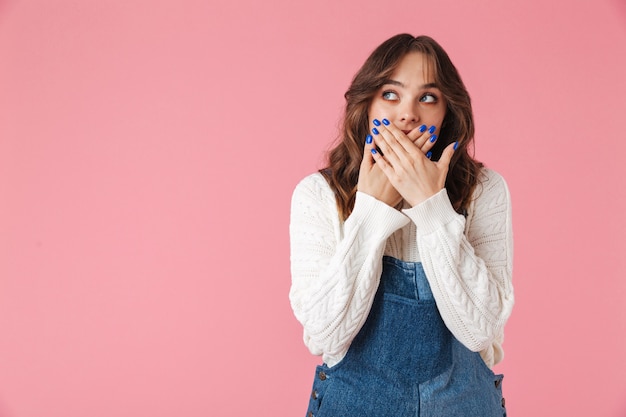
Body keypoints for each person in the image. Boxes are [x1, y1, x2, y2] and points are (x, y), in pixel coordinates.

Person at [289, 34, 514, 416]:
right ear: (367, 102)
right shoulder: (319, 194)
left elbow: (479, 330)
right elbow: (325, 334)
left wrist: (432, 207)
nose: (407, 114)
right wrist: (372, 211)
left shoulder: (484, 190)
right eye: (390, 94)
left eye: (428, 98)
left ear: (447, 113)